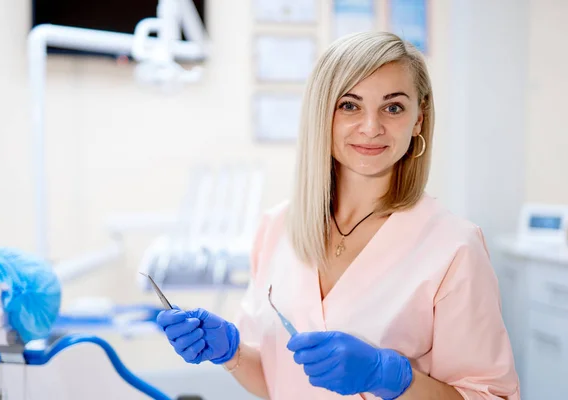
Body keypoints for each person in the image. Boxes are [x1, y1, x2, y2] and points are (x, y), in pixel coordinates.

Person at [156, 31, 521, 400]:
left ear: (418, 121)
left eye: (393, 107)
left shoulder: (454, 248)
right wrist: (230, 353)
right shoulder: (277, 228)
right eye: (350, 105)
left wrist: (392, 378)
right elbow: (276, 383)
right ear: (322, 114)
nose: (371, 127)